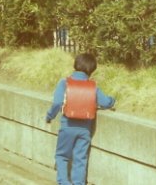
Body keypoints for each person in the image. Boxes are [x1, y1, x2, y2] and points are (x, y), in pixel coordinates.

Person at [45, 53, 116, 185]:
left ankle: (64, 182)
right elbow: (105, 102)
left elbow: (57, 103)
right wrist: (113, 100)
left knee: (62, 156)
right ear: (91, 70)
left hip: (67, 126)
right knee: (80, 158)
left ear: (75, 65)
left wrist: (49, 116)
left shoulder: (64, 83)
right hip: (85, 130)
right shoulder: (93, 86)